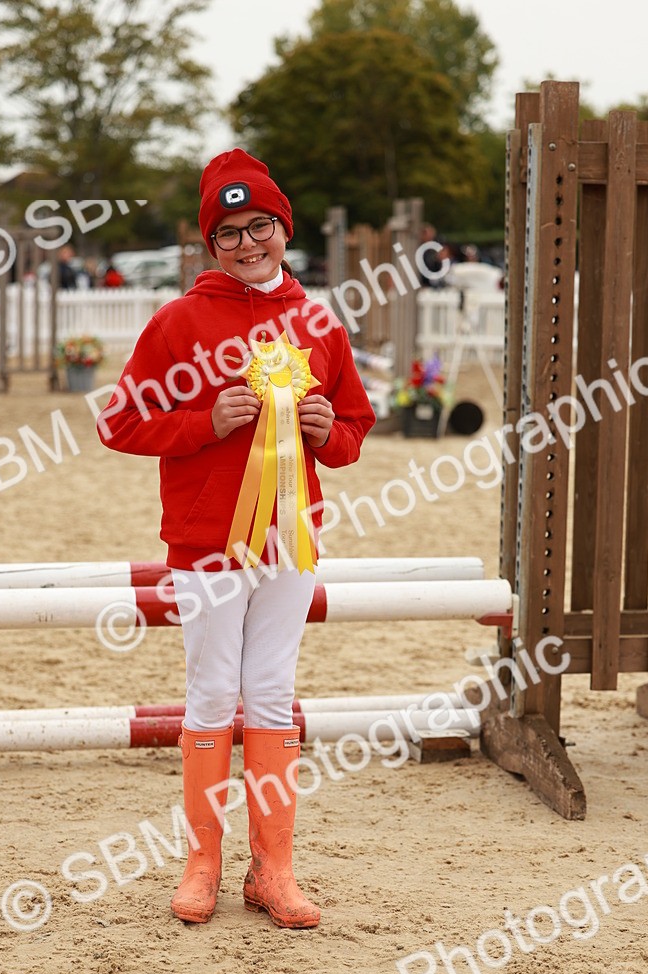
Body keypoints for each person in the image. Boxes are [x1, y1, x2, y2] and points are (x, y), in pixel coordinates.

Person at [97, 149, 375, 929]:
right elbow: (119, 421)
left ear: (285, 230)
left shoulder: (320, 324)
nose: (248, 243)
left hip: (291, 537)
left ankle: (273, 869)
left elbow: (354, 429)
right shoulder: (177, 322)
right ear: (209, 243)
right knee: (215, 692)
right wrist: (201, 423)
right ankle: (202, 864)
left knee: (274, 693)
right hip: (206, 542)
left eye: (260, 226)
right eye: (229, 232)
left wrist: (325, 431)